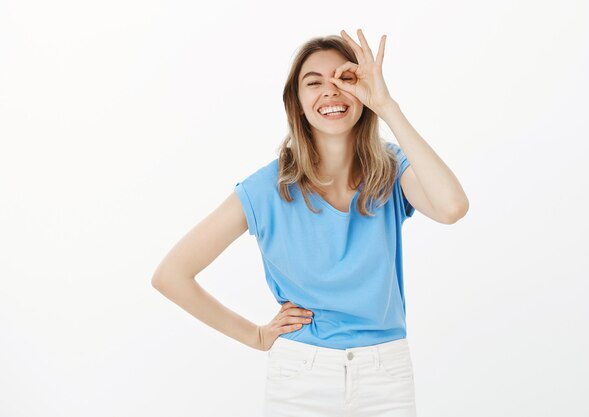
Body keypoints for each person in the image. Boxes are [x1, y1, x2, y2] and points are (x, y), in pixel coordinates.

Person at [152, 28, 469, 417]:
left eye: (345, 79)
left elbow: (452, 207)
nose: (331, 92)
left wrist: (387, 105)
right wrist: (255, 336)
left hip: (385, 373)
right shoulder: (267, 188)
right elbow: (171, 275)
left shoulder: (391, 170)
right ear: (297, 103)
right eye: (314, 82)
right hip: (302, 375)